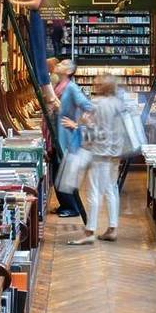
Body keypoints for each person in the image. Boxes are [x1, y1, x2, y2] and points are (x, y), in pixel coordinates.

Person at [65, 74, 126, 245]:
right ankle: (112, 228)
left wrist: (79, 124)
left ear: (102, 87)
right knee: (111, 189)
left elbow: (90, 129)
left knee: (93, 192)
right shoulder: (119, 104)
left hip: (98, 153)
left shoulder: (97, 104)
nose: (95, 84)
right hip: (114, 153)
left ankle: (90, 231)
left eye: (98, 83)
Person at [6, 0, 59, 108]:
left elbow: (35, 3)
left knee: (37, 56)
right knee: (36, 55)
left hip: (36, 17)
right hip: (38, 18)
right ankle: (50, 98)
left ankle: (51, 98)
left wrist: (13, 1)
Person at [53, 59, 91, 218]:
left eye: (62, 64)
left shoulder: (72, 88)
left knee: (64, 173)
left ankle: (73, 208)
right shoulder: (59, 86)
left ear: (69, 71)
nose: (58, 65)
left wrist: (76, 124)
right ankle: (64, 205)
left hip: (67, 137)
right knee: (57, 172)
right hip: (57, 135)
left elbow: (89, 107)